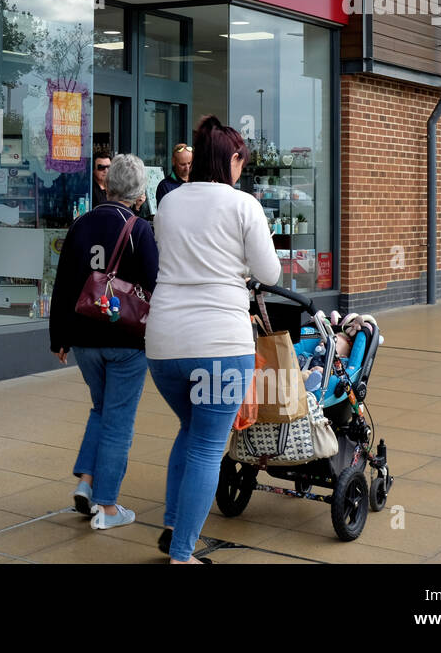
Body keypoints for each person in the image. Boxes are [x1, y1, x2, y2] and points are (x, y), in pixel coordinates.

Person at [147, 116, 280, 563]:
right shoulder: (243, 206)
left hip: (164, 345)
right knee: (207, 444)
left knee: (190, 430)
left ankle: (171, 525)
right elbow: (270, 273)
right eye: (242, 158)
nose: (243, 166)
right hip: (221, 345)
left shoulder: (168, 203)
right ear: (231, 159)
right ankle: (182, 554)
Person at [49, 154, 158, 530]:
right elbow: (155, 286)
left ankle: (87, 480)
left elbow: (62, 285)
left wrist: (58, 337)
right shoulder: (140, 230)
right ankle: (107, 508)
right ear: (139, 193)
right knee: (118, 421)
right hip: (127, 340)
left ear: (107, 185)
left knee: (102, 408)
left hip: (84, 339)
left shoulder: (81, 224)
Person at [155, 143, 193, 207]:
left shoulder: (198, 182)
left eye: (189, 163)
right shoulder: (164, 186)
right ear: (173, 161)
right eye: (182, 164)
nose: (187, 168)